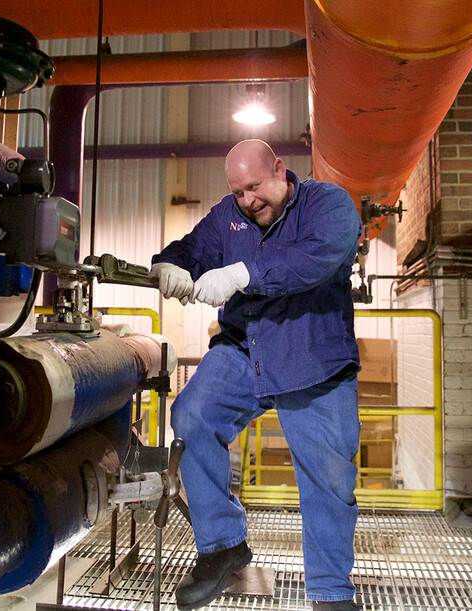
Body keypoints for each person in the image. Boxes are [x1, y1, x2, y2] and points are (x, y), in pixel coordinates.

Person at [149, 139, 364, 611]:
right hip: (246, 349)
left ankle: (330, 594)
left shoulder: (328, 204)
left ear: (280, 171)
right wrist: (168, 264)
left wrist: (242, 274)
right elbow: (191, 249)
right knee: (193, 416)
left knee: (327, 479)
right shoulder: (230, 215)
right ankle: (223, 546)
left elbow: (315, 259)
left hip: (313, 359)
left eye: (255, 187)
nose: (248, 201)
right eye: (239, 192)